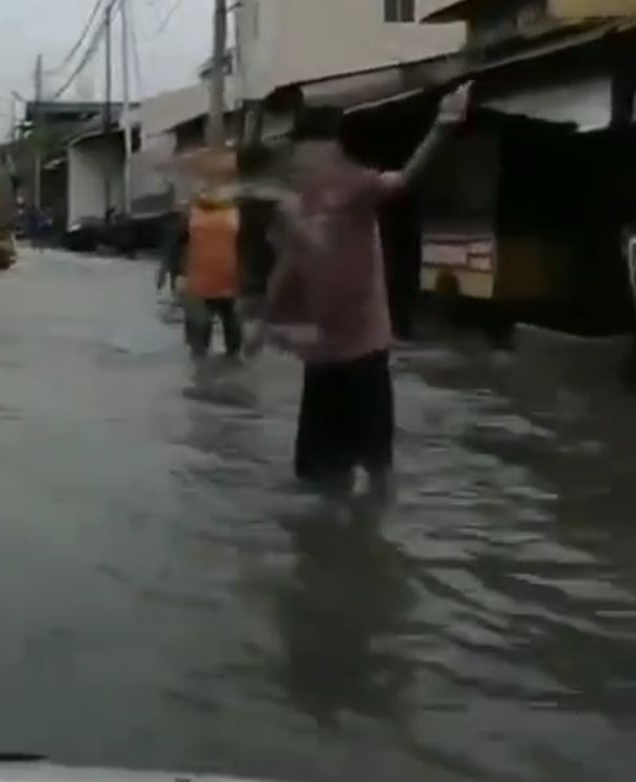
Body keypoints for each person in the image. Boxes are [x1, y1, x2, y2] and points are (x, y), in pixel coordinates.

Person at [265, 82, 471, 493]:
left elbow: (404, 181)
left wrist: (442, 128)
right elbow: (289, 267)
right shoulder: (293, 205)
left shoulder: (356, 189)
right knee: (314, 477)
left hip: (364, 353)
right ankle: (330, 548)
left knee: (377, 470)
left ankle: (371, 544)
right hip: (320, 357)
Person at [165, 149, 244, 358]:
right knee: (200, 335)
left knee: (234, 338)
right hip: (197, 281)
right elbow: (176, 243)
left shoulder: (238, 208)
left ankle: (224, 377)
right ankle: (201, 380)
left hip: (229, 280)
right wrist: (173, 274)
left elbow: (249, 244)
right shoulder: (190, 210)